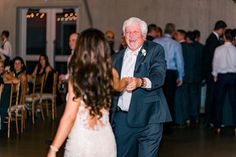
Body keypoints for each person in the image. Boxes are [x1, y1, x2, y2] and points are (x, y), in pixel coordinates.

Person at [47, 28, 128, 157]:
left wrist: (53, 149)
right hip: (106, 141)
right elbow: (119, 86)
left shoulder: (77, 77)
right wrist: (127, 81)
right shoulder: (111, 73)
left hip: (82, 141)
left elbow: (69, 117)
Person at [111, 17, 171, 157]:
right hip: (123, 120)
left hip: (150, 118)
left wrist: (140, 82)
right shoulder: (115, 58)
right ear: (124, 35)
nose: (131, 36)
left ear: (144, 35)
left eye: (135, 32)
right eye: (128, 32)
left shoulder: (155, 50)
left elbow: (158, 76)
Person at [202, 20, 227, 127]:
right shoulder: (213, 39)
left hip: (210, 72)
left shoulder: (212, 38)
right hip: (211, 73)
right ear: (221, 29)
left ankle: (209, 119)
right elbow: (212, 58)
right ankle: (209, 120)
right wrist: (214, 73)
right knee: (211, 96)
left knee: (211, 96)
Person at [212, 29, 236, 134]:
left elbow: (215, 63)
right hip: (233, 76)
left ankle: (217, 126)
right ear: (233, 38)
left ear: (224, 37)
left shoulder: (218, 49)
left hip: (221, 77)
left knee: (219, 102)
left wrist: (215, 75)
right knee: (234, 103)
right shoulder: (235, 50)